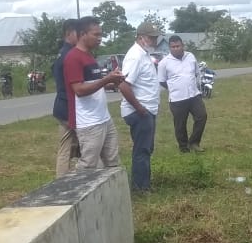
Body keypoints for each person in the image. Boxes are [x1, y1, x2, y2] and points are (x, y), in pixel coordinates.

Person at [63, 16, 123, 170]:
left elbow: (93, 86)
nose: (100, 39)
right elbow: (79, 90)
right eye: (96, 35)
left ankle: (112, 192)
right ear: (83, 34)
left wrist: (111, 83)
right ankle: (78, 192)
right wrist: (106, 79)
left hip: (103, 117)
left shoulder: (89, 56)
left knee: (113, 160)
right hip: (88, 122)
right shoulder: (73, 58)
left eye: (100, 34)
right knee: (88, 164)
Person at [118, 22, 162, 193]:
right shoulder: (135, 56)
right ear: (140, 37)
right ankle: (140, 188)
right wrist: (140, 109)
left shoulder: (144, 54)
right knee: (142, 150)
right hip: (140, 111)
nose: (154, 40)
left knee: (146, 148)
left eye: (155, 37)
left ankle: (144, 184)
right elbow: (124, 86)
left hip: (147, 109)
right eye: (150, 37)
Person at [157, 35, 207, 153]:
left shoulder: (190, 57)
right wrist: (174, 88)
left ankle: (194, 142)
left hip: (194, 95)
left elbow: (196, 73)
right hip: (177, 99)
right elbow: (161, 80)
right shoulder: (164, 63)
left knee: (202, 116)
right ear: (170, 48)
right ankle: (183, 147)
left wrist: (193, 86)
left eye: (178, 46)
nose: (175, 49)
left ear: (182, 46)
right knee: (180, 124)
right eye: (173, 47)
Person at [51, 18, 79, 176]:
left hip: (62, 106)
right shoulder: (70, 55)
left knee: (65, 148)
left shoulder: (61, 52)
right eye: (78, 33)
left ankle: (61, 182)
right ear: (69, 33)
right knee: (90, 145)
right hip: (70, 107)